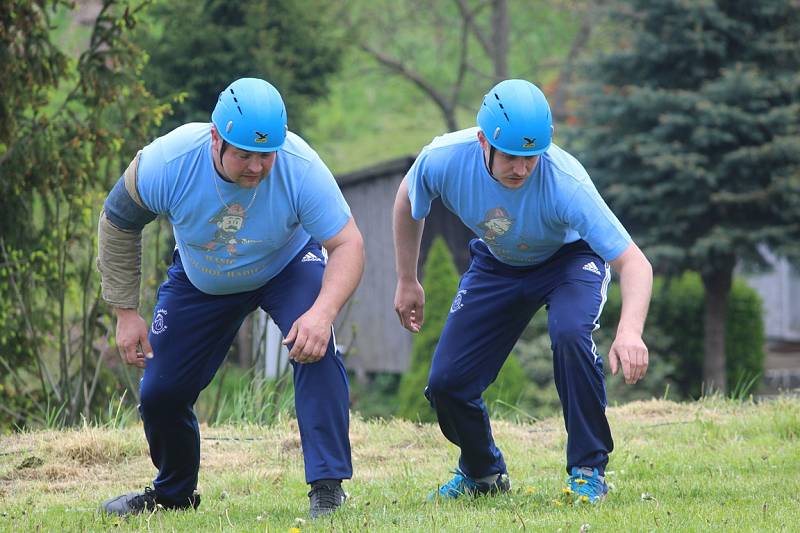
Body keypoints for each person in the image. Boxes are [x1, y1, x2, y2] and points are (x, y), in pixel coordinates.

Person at [97, 77, 364, 518]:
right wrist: (126, 312)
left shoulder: (300, 166)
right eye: (244, 153)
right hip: (204, 278)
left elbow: (348, 243)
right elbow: (117, 222)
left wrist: (322, 312)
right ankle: (173, 495)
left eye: (266, 154)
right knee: (160, 393)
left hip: (286, 264)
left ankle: (328, 489)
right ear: (216, 138)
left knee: (314, 346)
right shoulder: (170, 161)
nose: (257, 167)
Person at [392, 79, 652, 503]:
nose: (522, 168)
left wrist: (630, 331)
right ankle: (482, 474)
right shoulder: (442, 158)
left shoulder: (566, 181)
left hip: (570, 260)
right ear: (483, 141)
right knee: (446, 383)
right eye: (512, 157)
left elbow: (635, 263)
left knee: (570, 334)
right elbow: (408, 200)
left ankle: (588, 469)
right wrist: (407, 278)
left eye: (532, 157)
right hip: (499, 263)